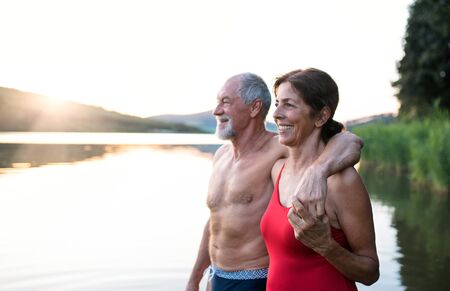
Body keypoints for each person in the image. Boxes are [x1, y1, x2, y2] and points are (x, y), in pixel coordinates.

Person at [185, 72, 364, 291]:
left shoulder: (278, 150)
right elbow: (216, 219)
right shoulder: (222, 155)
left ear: (254, 108)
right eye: (217, 102)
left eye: (226, 102)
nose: (216, 110)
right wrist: (195, 277)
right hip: (216, 277)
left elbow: (350, 141)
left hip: (255, 278)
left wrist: (318, 171)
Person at [260, 68, 379, 291]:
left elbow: (370, 272)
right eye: (277, 103)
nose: (276, 114)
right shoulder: (278, 170)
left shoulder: (342, 182)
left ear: (322, 116)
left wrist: (325, 245)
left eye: (289, 104)